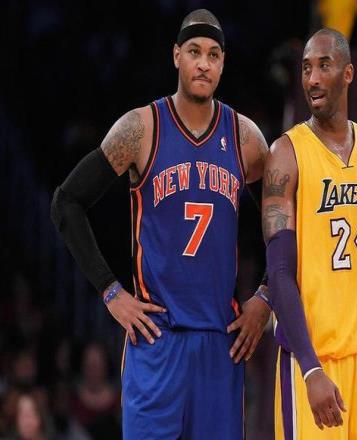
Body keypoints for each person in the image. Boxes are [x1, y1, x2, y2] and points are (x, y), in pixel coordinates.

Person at [51, 9, 271, 440]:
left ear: (223, 63)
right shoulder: (140, 129)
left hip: (220, 341)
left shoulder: (245, 138)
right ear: (176, 56)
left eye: (213, 54)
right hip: (157, 337)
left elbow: (285, 229)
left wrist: (265, 297)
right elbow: (66, 203)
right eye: (194, 52)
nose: (203, 63)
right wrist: (111, 291)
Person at [263, 28, 357, 439]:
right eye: (306, 69)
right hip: (318, 362)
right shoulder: (286, 154)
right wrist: (310, 369)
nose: (312, 79)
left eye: (324, 66)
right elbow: (279, 273)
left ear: (348, 74)